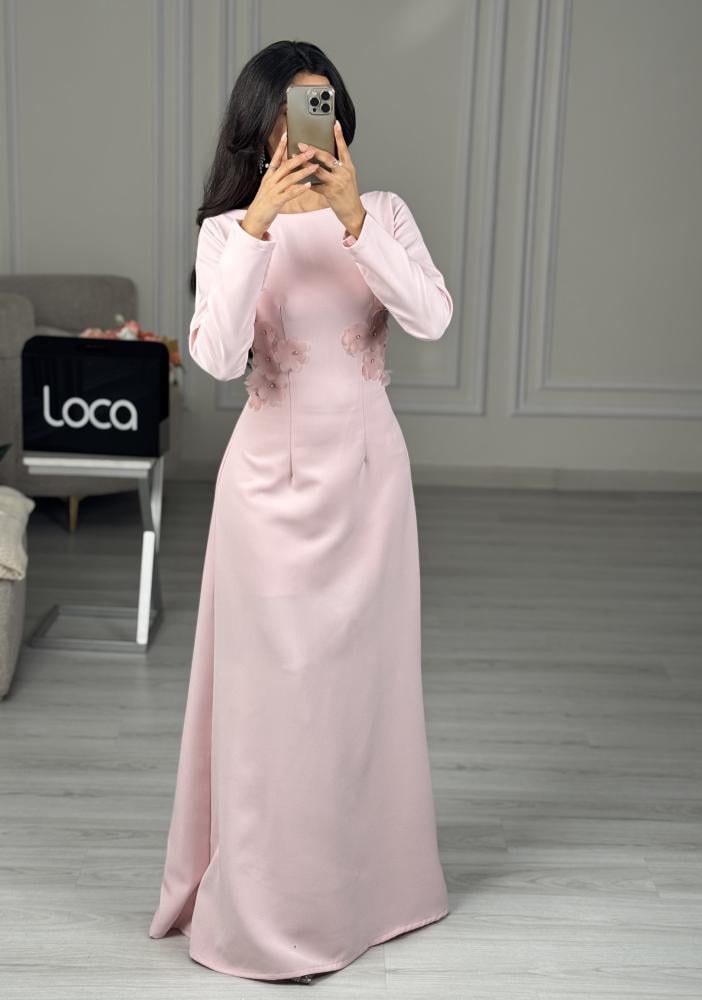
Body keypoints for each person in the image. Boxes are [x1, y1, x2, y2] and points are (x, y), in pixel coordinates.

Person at [148, 40, 453, 984]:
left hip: (370, 486)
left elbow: (433, 318)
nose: (309, 131)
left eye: (323, 108)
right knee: (272, 702)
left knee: (362, 695)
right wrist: (256, 229)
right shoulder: (227, 231)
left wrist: (355, 220)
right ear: (261, 127)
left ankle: (371, 896)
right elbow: (215, 357)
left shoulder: (383, 213)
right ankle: (270, 909)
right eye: (290, 113)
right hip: (267, 497)